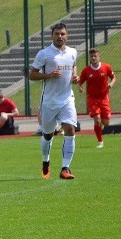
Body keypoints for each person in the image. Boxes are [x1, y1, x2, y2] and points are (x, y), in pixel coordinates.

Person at [30, 23, 79, 180]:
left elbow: (73, 66)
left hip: (67, 99)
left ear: (67, 35)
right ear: (52, 36)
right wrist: (49, 75)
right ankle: (46, 161)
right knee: (48, 135)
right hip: (49, 102)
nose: (60, 36)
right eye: (57, 33)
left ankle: (65, 168)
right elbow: (32, 75)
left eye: (62, 34)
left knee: (70, 129)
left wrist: (74, 77)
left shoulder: (73, 52)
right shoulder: (44, 54)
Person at [78, 48, 116, 149]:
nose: (93, 58)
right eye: (91, 56)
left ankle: (101, 126)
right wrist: (80, 87)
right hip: (92, 99)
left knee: (106, 122)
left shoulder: (106, 67)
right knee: (97, 119)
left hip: (104, 98)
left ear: (99, 57)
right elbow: (80, 82)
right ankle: (100, 141)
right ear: (90, 58)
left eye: (95, 56)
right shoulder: (86, 70)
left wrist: (111, 84)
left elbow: (113, 77)